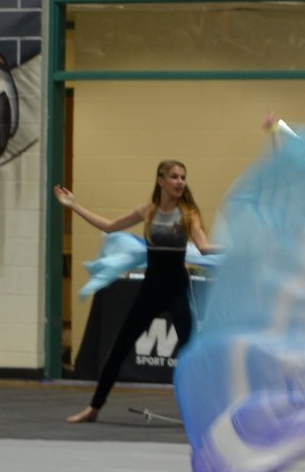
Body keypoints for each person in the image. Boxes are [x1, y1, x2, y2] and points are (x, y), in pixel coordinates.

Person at [55, 160, 211, 424]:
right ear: (161, 180)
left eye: (183, 177)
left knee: (191, 354)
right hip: (150, 291)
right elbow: (109, 226)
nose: (180, 182)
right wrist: (74, 206)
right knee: (119, 348)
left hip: (177, 289)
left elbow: (204, 248)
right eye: (174, 177)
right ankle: (93, 408)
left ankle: (204, 410)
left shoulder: (188, 213)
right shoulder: (148, 211)